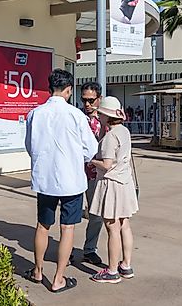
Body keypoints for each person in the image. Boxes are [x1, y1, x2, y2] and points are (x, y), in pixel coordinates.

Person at [24, 69, 98, 294]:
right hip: (71, 181)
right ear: (68, 90)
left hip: (45, 179)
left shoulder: (35, 113)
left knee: (43, 225)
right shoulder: (76, 115)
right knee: (67, 229)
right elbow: (91, 149)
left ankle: (37, 271)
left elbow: (30, 146)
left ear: (50, 89)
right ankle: (58, 278)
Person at [89, 96, 139, 284]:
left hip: (112, 184)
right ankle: (125, 265)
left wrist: (91, 160)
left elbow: (107, 164)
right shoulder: (124, 131)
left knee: (112, 227)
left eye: (100, 113)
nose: (99, 116)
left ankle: (111, 271)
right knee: (124, 224)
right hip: (125, 182)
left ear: (106, 116)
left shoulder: (110, 137)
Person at [77, 81, 107, 267]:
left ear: (99, 99)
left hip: (96, 174)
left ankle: (89, 249)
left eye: (91, 100)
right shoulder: (76, 118)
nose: (87, 104)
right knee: (69, 215)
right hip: (75, 172)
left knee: (96, 214)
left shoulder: (105, 119)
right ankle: (66, 249)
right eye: (84, 100)